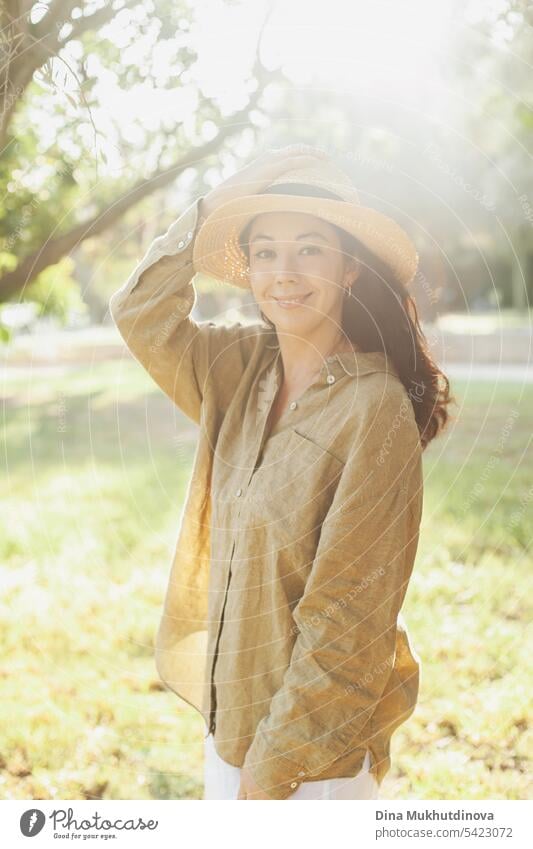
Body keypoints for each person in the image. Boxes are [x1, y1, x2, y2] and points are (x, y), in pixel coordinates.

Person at [109, 144, 452, 800]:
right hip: (228, 734)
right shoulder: (237, 367)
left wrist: (271, 770)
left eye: (309, 250)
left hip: (307, 764)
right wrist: (211, 204)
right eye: (264, 251)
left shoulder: (372, 408)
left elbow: (347, 616)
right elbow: (138, 314)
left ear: (350, 266)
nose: (283, 273)